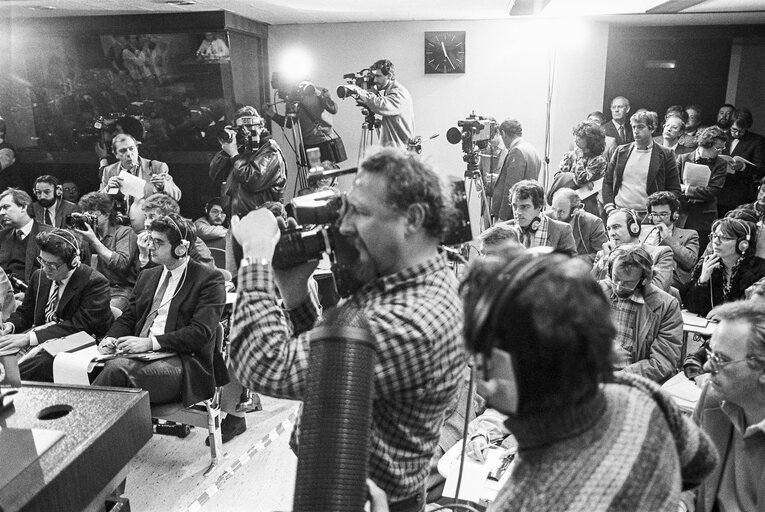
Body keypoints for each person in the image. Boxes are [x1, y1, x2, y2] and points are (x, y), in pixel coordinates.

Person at [229, 148, 467, 512]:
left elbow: (263, 363)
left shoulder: (414, 320)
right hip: (345, 488)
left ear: (413, 219)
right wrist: (295, 296)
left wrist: (257, 257)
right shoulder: (406, 281)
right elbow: (334, 367)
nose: (343, 226)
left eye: (361, 211)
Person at [455, 244, 717, 512]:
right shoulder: (643, 393)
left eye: (481, 349)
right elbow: (702, 463)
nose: (475, 363)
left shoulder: (522, 500)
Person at [95, 214, 227, 406]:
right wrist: (110, 337)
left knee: (116, 371)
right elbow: (129, 317)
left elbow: (200, 333)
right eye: (151, 240)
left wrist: (150, 343)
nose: (150, 247)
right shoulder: (148, 275)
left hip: (183, 363)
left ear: (181, 248)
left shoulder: (209, 280)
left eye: (158, 242)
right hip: (140, 357)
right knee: (88, 369)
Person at [680, 300, 765, 512]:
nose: (707, 366)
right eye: (709, 354)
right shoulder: (713, 398)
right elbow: (687, 475)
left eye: (720, 359)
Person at [0, 230, 112, 382]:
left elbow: (80, 326)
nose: (45, 269)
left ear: (74, 262)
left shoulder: (95, 283)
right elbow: (26, 313)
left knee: (34, 364)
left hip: (79, 343)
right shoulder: (39, 276)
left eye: (52, 265)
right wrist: (10, 326)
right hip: (39, 340)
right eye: (42, 261)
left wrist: (28, 338)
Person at [599, 244, 683, 382]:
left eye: (628, 283)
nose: (619, 287)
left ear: (643, 280)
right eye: (616, 278)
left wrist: (619, 377)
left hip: (634, 381)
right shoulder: (596, 292)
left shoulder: (666, 306)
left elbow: (663, 361)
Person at [602, 110, 682, 218]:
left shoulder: (665, 154)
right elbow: (608, 180)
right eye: (634, 127)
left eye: (640, 127)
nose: (636, 131)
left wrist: (660, 213)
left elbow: (674, 189)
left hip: (648, 216)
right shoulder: (621, 151)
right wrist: (609, 208)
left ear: (652, 128)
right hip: (619, 212)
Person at [683, 217, 765, 317]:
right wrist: (702, 280)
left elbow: (758, 310)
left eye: (725, 238)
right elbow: (691, 306)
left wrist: (727, 316)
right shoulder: (707, 265)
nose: (716, 242)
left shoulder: (759, 269)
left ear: (743, 244)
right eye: (714, 236)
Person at [99, 133, 181, 232]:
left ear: (137, 149)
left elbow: (177, 195)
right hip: (120, 231)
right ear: (115, 154)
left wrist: (163, 185)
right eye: (123, 151)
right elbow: (98, 202)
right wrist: (107, 189)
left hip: (150, 229)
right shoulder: (109, 171)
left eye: (131, 148)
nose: (129, 154)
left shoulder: (156, 167)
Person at [75, 192, 139, 312]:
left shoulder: (124, 232)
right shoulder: (86, 235)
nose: (88, 218)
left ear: (106, 214)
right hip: (93, 289)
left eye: (92, 214)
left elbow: (121, 263)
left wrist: (94, 241)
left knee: (106, 313)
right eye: (85, 214)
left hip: (119, 289)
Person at [592, 208, 675, 292]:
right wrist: (607, 258)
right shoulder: (602, 255)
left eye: (616, 227)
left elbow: (658, 288)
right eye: (608, 229)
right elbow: (590, 289)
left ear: (634, 228)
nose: (612, 234)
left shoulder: (661, 253)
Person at [678, 126, 729, 254]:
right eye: (718, 147)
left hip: (704, 218)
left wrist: (686, 189)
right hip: (681, 216)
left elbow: (712, 191)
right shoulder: (682, 158)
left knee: (699, 254)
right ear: (706, 144)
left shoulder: (721, 164)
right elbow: (673, 185)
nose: (721, 151)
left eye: (723, 147)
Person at [264, 82, 344, 163]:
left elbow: (333, 109)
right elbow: (288, 123)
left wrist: (318, 93)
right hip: (309, 145)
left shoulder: (320, 91)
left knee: (330, 172)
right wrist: (272, 114)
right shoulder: (292, 99)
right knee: (315, 173)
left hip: (325, 141)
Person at [346, 59, 414, 149]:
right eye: (374, 76)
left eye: (378, 76)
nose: (374, 80)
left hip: (399, 154)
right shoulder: (390, 91)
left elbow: (380, 104)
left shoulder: (398, 93)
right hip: (394, 151)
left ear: (389, 76)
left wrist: (357, 90)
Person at [137, 193, 216, 270]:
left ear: (168, 219)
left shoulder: (192, 242)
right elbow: (147, 279)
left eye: (152, 217)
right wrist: (144, 257)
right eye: (146, 217)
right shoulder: (145, 243)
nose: (146, 223)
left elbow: (208, 275)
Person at [501, 180, 576, 256]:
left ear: (539, 206)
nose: (518, 212)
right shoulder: (503, 229)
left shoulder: (561, 231)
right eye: (515, 206)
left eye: (524, 207)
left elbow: (571, 264)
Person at [642, 191, 699, 289]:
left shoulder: (690, 235)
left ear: (675, 214)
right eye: (654, 214)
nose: (658, 219)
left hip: (672, 280)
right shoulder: (643, 231)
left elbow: (690, 262)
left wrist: (667, 238)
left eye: (663, 214)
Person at [552, 120, 608, 216]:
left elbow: (580, 179)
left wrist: (580, 158)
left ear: (590, 140)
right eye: (576, 136)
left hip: (587, 203)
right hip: (566, 201)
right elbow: (558, 176)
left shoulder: (598, 160)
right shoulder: (570, 155)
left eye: (580, 137)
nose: (576, 139)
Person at [0, 188, 53, 287]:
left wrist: (28, 295)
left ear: (23, 207)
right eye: (0, 209)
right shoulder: (2, 236)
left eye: (6, 207)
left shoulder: (50, 234)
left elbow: (55, 275)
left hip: (34, 295)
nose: (1, 213)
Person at [492, 119, 541, 221]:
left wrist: (502, 218)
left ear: (503, 133)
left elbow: (510, 188)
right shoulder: (532, 150)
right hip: (528, 210)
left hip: (513, 215)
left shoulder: (517, 151)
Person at [718, 109, 765, 217]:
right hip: (718, 189)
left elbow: (761, 168)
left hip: (739, 193)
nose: (737, 133)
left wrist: (743, 166)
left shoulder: (757, 141)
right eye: (734, 129)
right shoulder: (722, 137)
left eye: (741, 131)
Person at [550, 188, 607, 264]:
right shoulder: (546, 218)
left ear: (575, 210)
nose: (556, 215)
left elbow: (601, 253)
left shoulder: (594, 223)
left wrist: (572, 261)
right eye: (554, 210)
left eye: (561, 211)